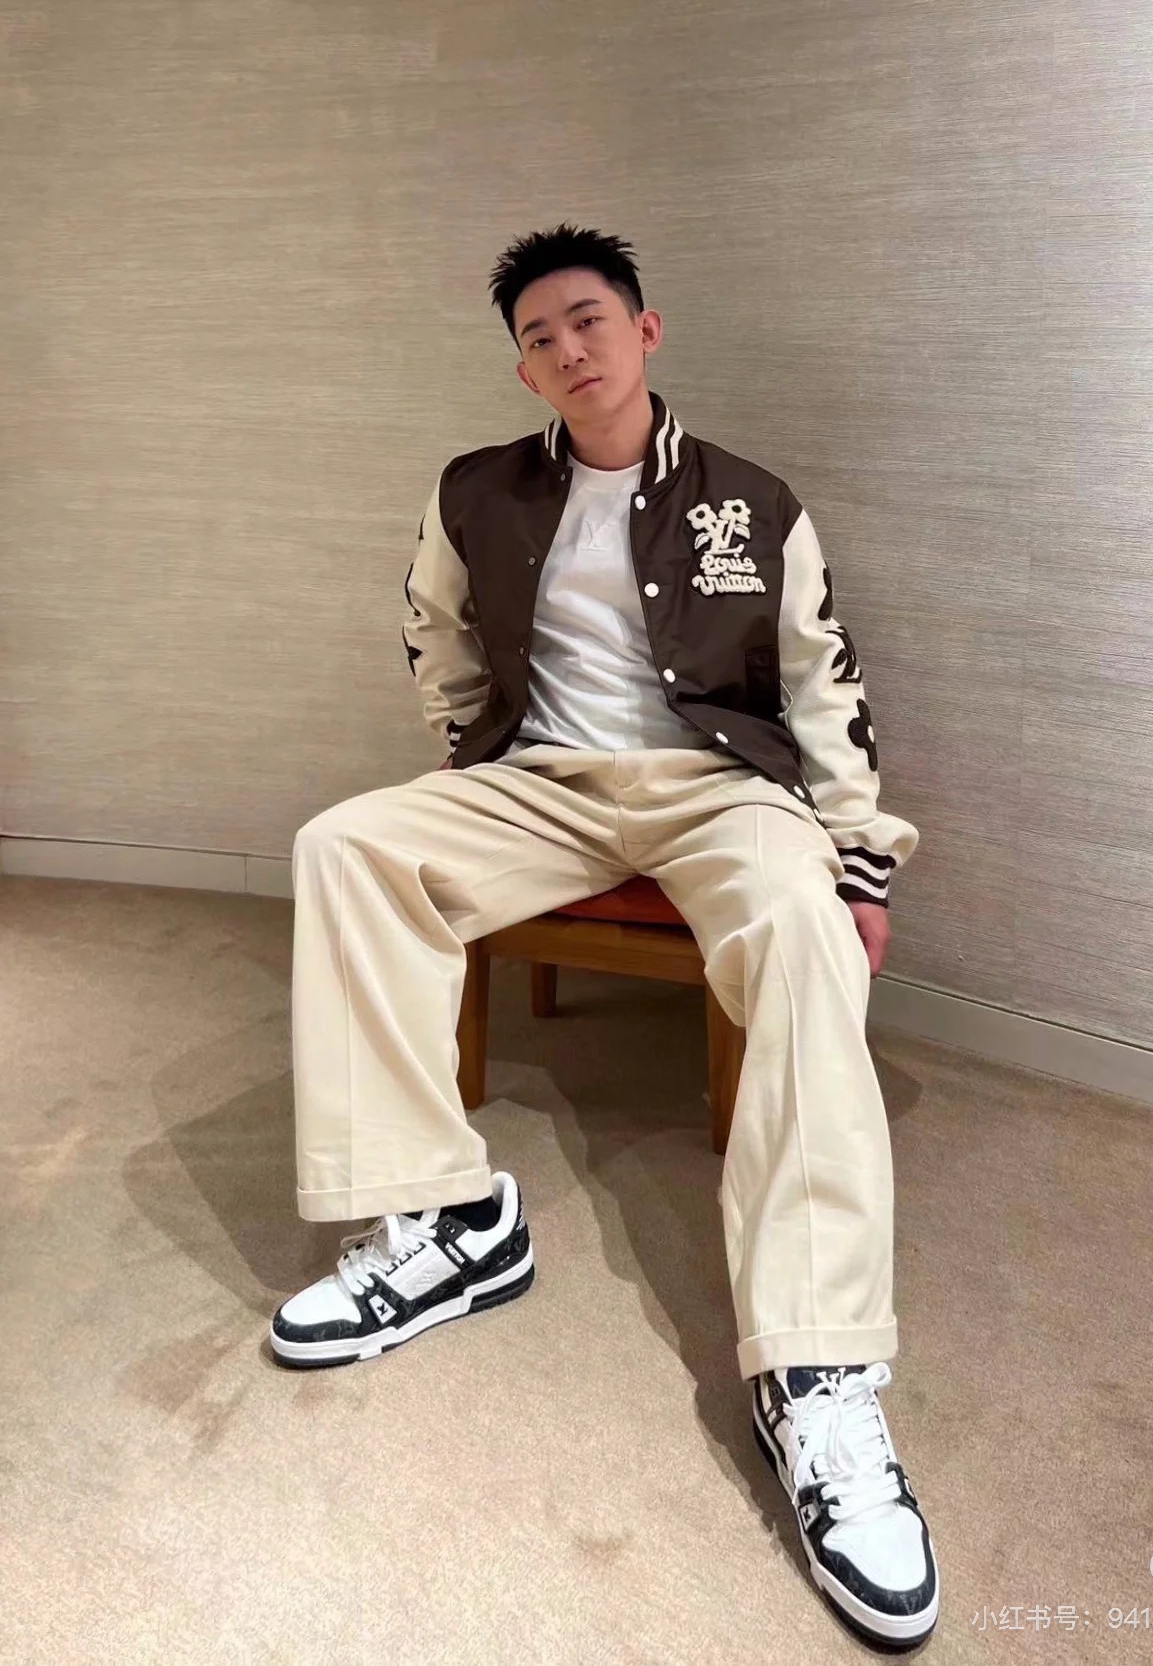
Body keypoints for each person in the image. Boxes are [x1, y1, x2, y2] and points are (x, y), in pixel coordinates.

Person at [272, 223, 939, 1649]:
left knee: (806, 929)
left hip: (720, 790)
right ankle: (449, 1218)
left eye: (588, 320)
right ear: (522, 369)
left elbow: (823, 685)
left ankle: (816, 1366)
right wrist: (471, 750)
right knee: (345, 846)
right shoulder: (476, 491)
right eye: (538, 337)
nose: (567, 350)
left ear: (646, 330)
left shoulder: (751, 500)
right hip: (546, 785)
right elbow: (434, 632)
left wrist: (861, 861)